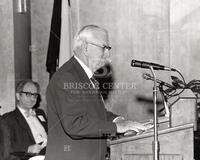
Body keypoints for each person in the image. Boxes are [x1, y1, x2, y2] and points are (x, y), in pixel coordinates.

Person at [45, 25, 147, 160]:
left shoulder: (83, 76)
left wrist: (118, 120)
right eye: (104, 47)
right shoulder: (67, 77)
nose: (108, 55)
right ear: (86, 48)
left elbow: (93, 114)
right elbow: (74, 124)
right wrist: (116, 127)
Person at [1, 80, 47, 160]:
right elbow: (6, 148)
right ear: (18, 96)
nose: (32, 98)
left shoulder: (40, 113)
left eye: (35, 95)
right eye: (28, 94)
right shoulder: (7, 119)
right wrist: (28, 148)